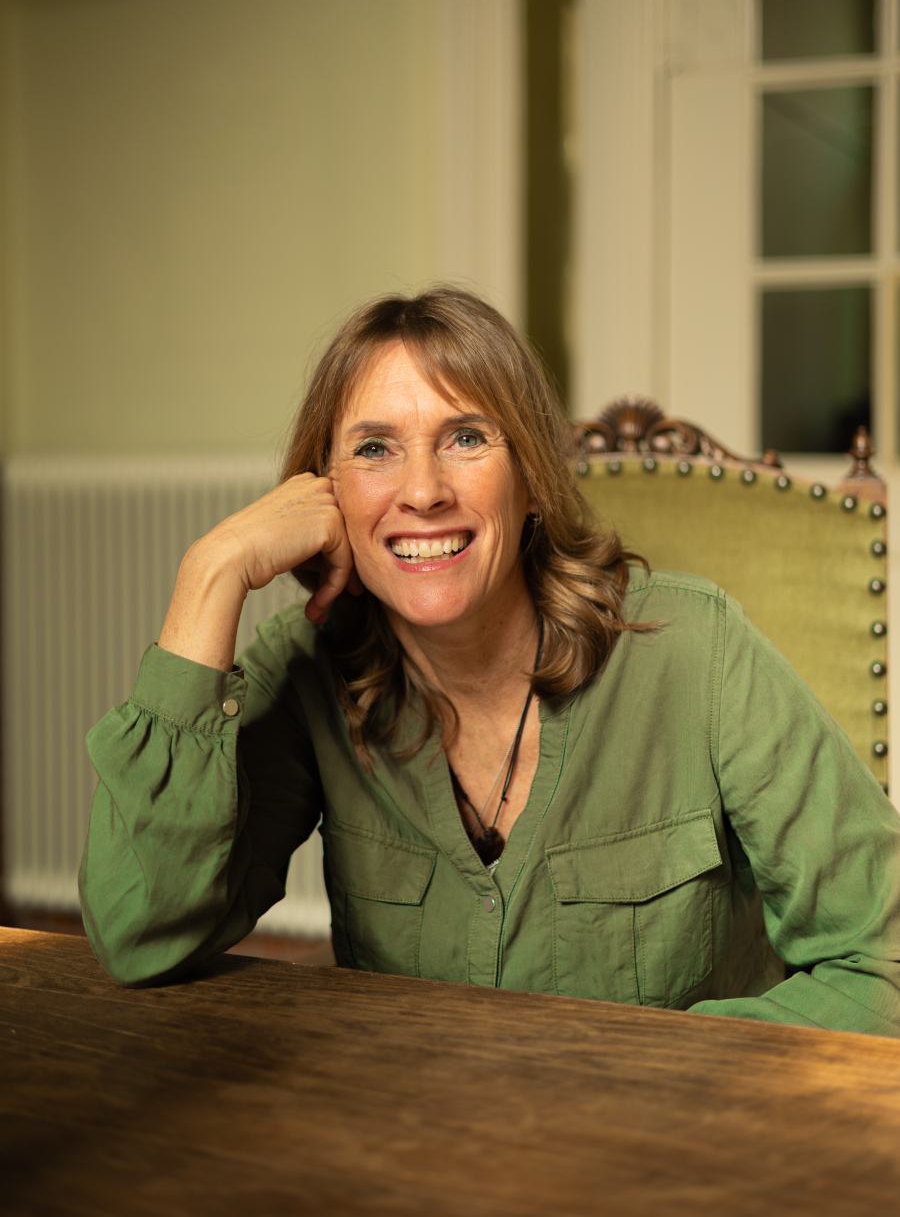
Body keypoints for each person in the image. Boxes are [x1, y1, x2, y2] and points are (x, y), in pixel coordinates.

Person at [80, 287, 900, 1036]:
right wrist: (212, 571)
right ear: (325, 492)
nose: (423, 491)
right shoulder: (306, 668)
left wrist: (659, 1077)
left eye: (465, 438)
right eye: (375, 449)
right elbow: (142, 934)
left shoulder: (697, 651)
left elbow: (885, 962)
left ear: (532, 479)